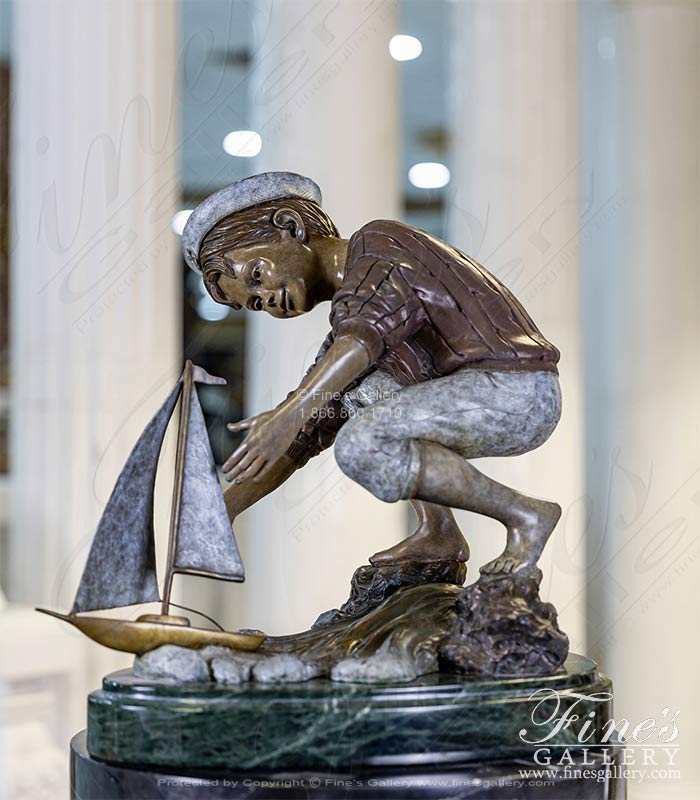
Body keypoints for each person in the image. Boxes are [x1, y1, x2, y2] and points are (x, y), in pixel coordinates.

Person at [181, 172, 562, 574]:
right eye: (257, 304)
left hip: (515, 389)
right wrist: (224, 509)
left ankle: (525, 514)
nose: (268, 300)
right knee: (362, 394)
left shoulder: (380, 245)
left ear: (290, 227)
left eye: (257, 275)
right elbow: (308, 427)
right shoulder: (348, 328)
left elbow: (363, 337)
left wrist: (287, 416)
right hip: (482, 390)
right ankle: (440, 530)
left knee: (362, 443)